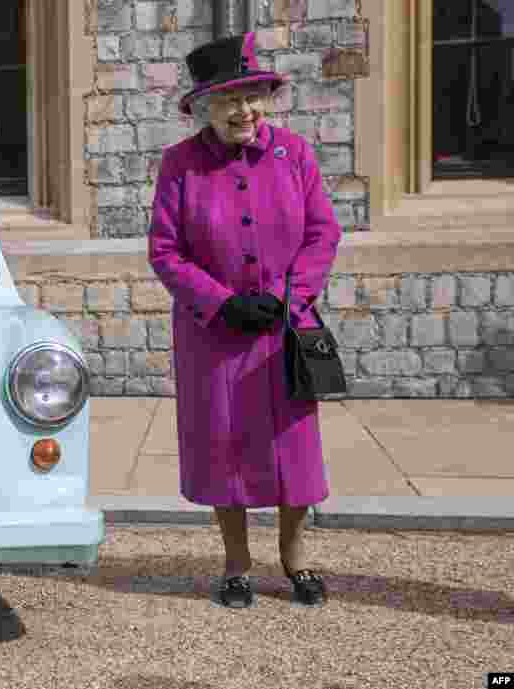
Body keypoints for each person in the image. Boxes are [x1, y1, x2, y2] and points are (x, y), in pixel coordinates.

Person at [147, 32, 342, 609]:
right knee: (224, 446)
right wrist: (222, 302)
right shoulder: (179, 164)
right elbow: (165, 250)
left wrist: (293, 295)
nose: (243, 110)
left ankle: (295, 559)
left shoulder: (296, 153)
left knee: (294, 450)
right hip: (215, 336)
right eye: (228, 99)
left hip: (286, 329)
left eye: (253, 95)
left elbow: (322, 232)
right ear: (204, 107)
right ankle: (236, 564)